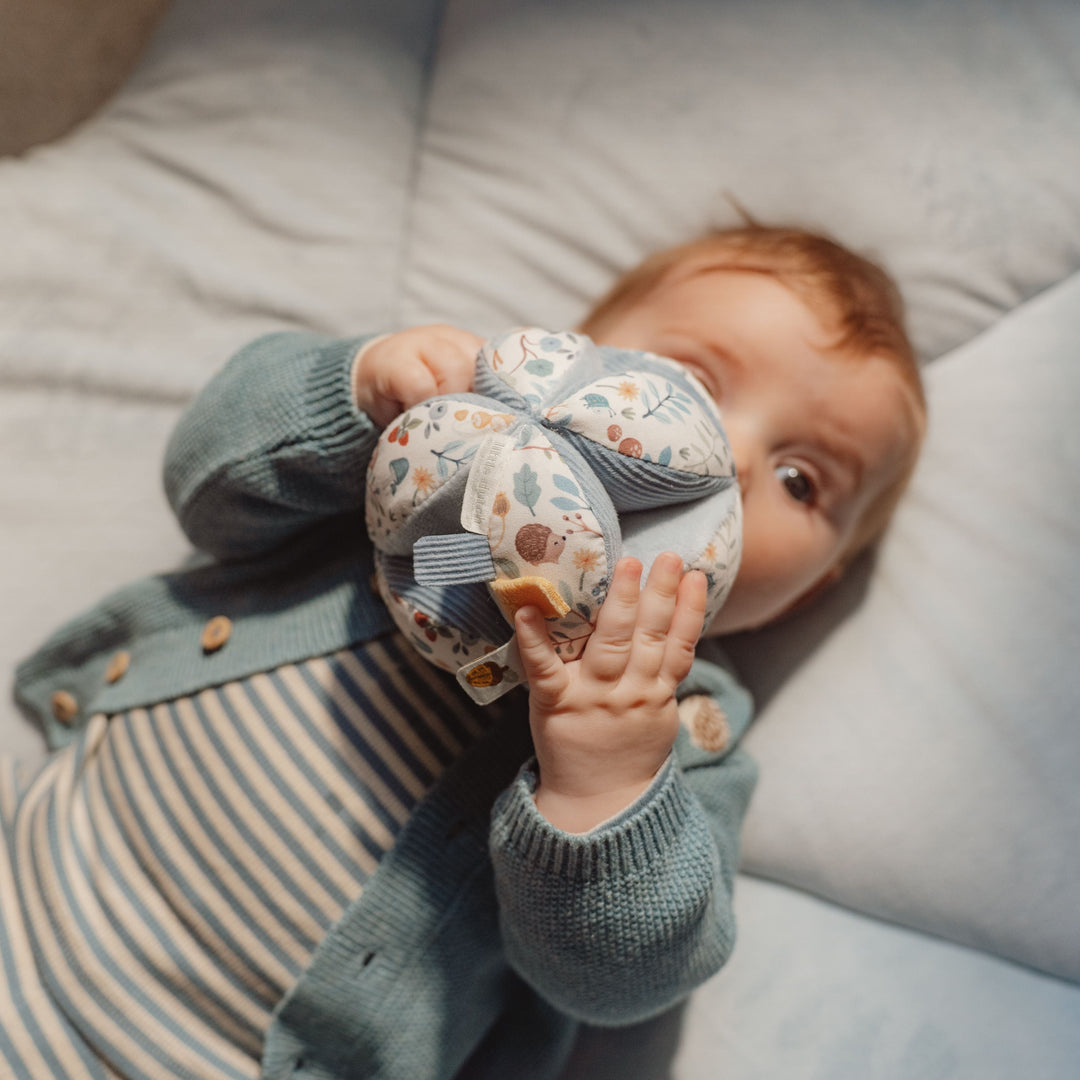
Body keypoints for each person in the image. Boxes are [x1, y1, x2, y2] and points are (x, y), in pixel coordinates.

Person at [4, 225, 925, 1080]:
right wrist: (357, 391)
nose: (726, 456)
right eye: (689, 378)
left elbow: (624, 984)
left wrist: (606, 781)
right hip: (34, 875)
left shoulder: (682, 736)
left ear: (805, 595)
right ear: (565, 362)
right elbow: (203, 480)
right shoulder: (406, 496)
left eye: (804, 479)